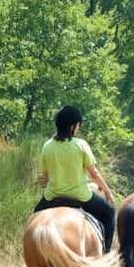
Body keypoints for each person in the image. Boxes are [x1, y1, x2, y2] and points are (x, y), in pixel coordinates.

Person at [34, 105, 115, 253]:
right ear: (72, 126)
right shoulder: (81, 145)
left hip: (53, 197)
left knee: (33, 220)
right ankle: (106, 252)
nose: (78, 128)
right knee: (109, 213)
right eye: (78, 125)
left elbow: (43, 178)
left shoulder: (47, 146)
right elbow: (94, 173)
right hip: (80, 197)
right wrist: (108, 192)